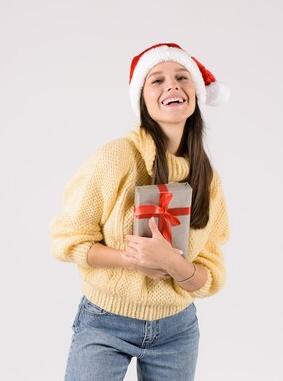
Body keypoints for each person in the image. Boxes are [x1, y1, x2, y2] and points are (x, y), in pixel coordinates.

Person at [48, 42, 231, 381]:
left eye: (181, 77)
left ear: (196, 93)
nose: (172, 86)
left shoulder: (207, 180)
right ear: (143, 100)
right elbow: (67, 241)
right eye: (157, 80)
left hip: (177, 329)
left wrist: (172, 263)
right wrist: (132, 259)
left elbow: (211, 276)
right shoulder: (115, 158)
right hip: (106, 321)